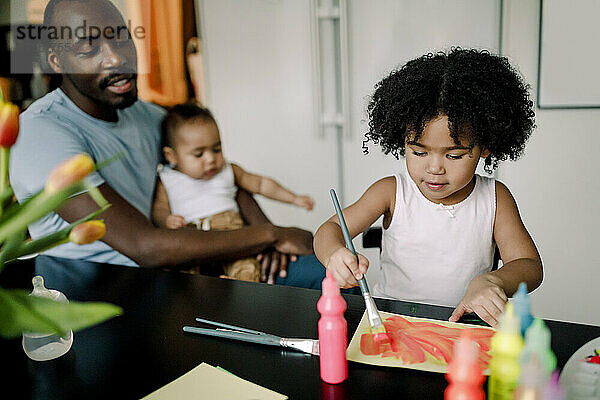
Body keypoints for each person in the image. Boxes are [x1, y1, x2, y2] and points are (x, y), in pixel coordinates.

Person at [9, 0, 325, 287]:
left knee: (326, 275)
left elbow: (215, 174)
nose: (116, 57)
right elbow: (146, 247)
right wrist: (271, 235)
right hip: (99, 295)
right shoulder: (40, 134)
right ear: (57, 62)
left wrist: (266, 238)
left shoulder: (149, 116)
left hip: (173, 271)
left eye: (119, 36)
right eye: (89, 49)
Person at [314, 48, 543, 327]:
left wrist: (493, 280)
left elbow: (530, 265)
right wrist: (335, 255)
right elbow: (330, 230)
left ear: (484, 148)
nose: (434, 168)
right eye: (419, 152)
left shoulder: (495, 198)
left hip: (465, 328)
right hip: (392, 323)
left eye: (454, 155)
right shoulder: (390, 191)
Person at [153, 103, 315, 281]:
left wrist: (294, 198)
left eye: (217, 149)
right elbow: (159, 208)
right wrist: (166, 220)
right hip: (191, 239)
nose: (211, 159)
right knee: (180, 276)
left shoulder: (229, 171)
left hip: (233, 235)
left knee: (248, 267)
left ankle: (236, 289)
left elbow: (261, 184)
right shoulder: (168, 179)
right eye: (198, 154)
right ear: (171, 156)